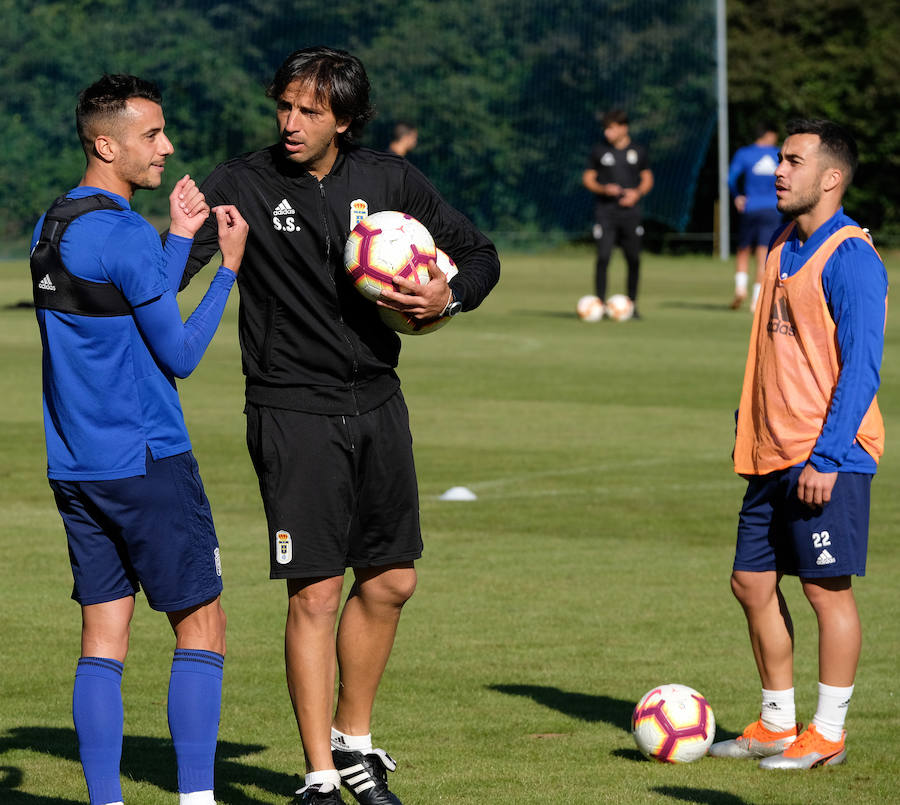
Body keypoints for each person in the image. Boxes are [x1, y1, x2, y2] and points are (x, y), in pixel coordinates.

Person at [177, 47, 500, 805]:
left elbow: (478, 253)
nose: (291, 122)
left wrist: (445, 300)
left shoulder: (388, 181)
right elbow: (173, 270)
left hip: (379, 400)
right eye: (283, 106)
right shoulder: (243, 183)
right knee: (316, 592)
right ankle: (319, 775)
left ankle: (355, 744)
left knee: (392, 578)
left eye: (310, 110)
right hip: (292, 409)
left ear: (345, 119)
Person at [30, 74, 248, 805]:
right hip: (148, 458)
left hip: (77, 463)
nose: (168, 147)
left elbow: (125, 311)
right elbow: (178, 352)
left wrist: (180, 237)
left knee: (103, 639)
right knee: (203, 626)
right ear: (106, 142)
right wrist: (227, 270)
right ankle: (196, 799)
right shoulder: (123, 234)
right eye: (152, 135)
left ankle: (106, 801)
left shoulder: (51, 224)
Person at [710, 119, 887, 769]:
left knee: (825, 590)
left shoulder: (851, 258)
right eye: (780, 159)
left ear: (831, 177)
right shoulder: (781, 243)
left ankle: (829, 733)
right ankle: (778, 722)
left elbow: (861, 368)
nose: (777, 170)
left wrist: (829, 456)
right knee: (750, 581)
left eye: (793, 160)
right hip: (773, 450)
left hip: (827, 457)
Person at [581, 108, 653, 317]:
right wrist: (604, 189)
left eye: (611, 128)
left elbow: (648, 178)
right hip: (606, 212)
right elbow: (588, 178)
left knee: (633, 258)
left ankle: (632, 304)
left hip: (630, 213)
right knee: (603, 257)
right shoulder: (599, 151)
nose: (607, 133)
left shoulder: (638, 151)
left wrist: (637, 193)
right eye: (605, 129)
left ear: (624, 128)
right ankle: (600, 304)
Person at [727, 123, 782, 311]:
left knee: (743, 249)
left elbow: (731, 178)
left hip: (750, 207)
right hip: (772, 208)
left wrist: (737, 197)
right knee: (763, 253)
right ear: (767, 135)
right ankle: (757, 298)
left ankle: (740, 288)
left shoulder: (744, 153)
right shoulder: (778, 154)